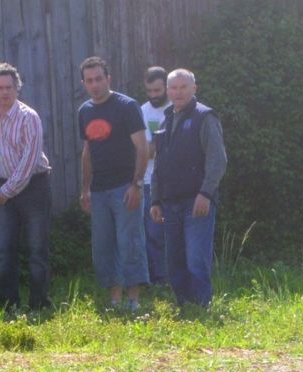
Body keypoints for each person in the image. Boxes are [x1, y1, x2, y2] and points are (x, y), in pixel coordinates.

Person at [0, 62, 52, 311]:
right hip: (0, 185)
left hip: (33, 187)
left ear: (17, 88)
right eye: (0, 88)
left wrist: (6, 191)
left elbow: (29, 161)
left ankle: (39, 304)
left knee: (37, 248)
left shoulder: (29, 117)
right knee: (4, 249)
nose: (5, 92)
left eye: (9, 87)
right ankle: (9, 304)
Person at [150, 69, 228, 308]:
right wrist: (154, 200)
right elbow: (159, 164)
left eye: (183, 87)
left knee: (196, 258)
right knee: (174, 259)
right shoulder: (166, 119)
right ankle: (184, 305)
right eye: (173, 88)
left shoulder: (205, 117)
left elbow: (218, 160)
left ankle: (202, 306)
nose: (178, 92)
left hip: (197, 202)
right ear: (168, 91)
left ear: (194, 89)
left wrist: (205, 194)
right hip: (170, 202)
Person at [78, 56, 149, 312]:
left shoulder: (126, 106)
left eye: (99, 79)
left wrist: (137, 184)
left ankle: (134, 300)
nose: (94, 84)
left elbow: (142, 148)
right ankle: (115, 300)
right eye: (89, 80)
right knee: (103, 246)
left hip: (125, 187)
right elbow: (87, 152)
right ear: (84, 83)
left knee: (129, 242)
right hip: (98, 191)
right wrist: (85, 188)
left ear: (109, 78)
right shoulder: (84, 111)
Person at [141, 66, 171, 285]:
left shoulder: (177, 109)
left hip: (175, 182)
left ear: (167, 88)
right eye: (149, 91)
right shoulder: (142, 111)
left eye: (158, 90)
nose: (154, 96)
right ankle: (159, 279)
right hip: (149, 181)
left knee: (173, 234)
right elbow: (142, 150)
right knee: (152, 234)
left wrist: (154, 148)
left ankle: (175, 277)